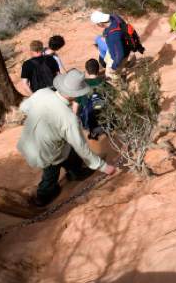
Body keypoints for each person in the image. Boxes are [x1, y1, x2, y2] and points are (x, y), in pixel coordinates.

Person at [18, 70, 117, 206]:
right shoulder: (68, 118)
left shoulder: (42, 93)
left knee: (67, 150)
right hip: (46, 151)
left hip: (28, 139)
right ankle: (43, 195)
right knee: (51, 170)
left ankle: (76, 171)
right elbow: (81, 147)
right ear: (74, 95)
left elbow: (24, 107)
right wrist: (103, 167)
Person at [91, 10, 145, 75]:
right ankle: (122, 70)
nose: (97, 25)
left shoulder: (113, 35)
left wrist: (113, 67)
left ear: (100, 23)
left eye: (97, 24)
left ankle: (119, 79)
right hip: (125, 48)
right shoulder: (115, 17)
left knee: (111, 76)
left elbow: (120, 55)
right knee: (99, 39)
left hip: (119, 57)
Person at [73, 59, 108, 140]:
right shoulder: (104, 84)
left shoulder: (82, 86)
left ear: (86, 71)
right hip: (104, 123)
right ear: (98, 70)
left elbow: (75, 110)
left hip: (88, 126)